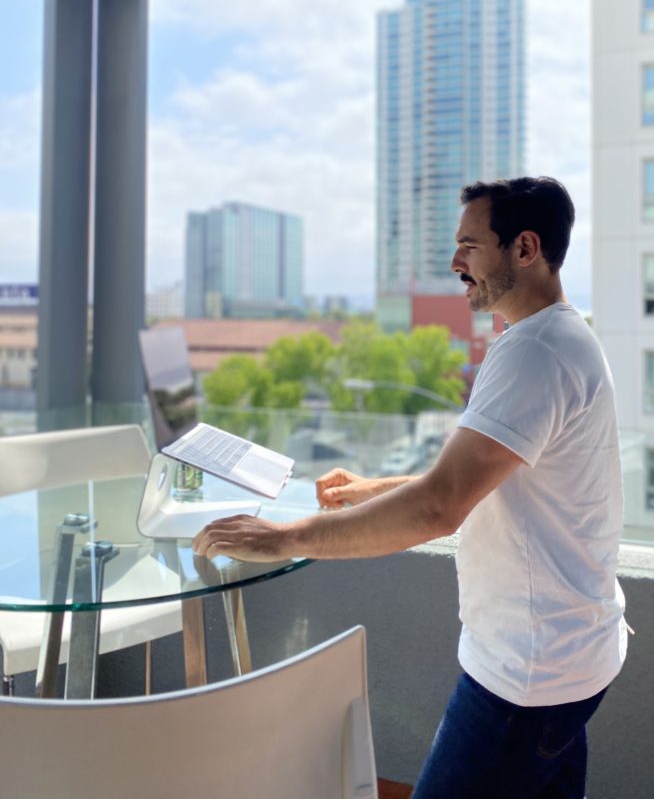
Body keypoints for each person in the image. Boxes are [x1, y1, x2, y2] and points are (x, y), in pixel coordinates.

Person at [193, 176, 627, 799]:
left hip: (525, 675)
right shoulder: (562, 335)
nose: (456, 264)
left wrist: (282, 537)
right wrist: (374, 488)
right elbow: (487, 477)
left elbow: (439, 507)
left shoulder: (534, 352)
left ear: (525, 248)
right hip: (570, 658)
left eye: (470, 246)